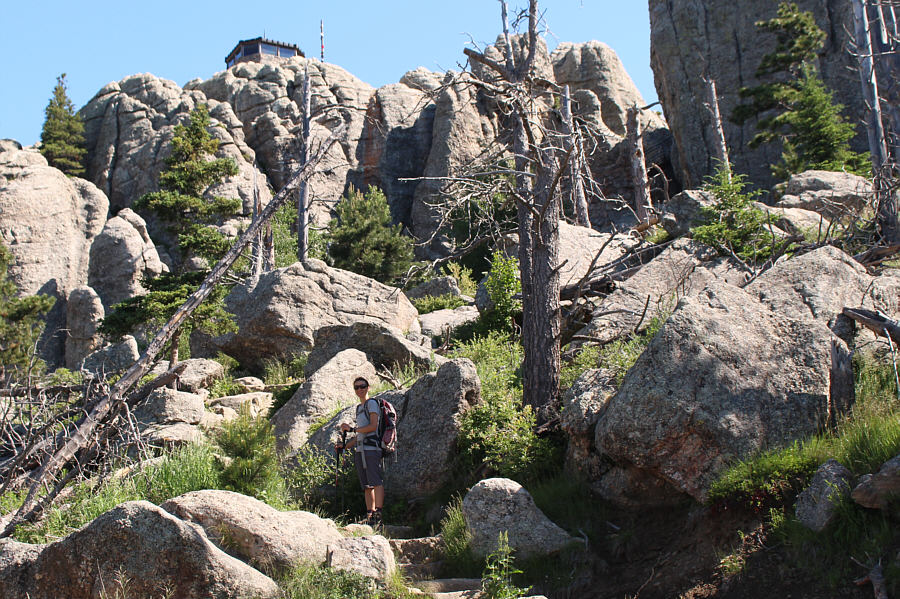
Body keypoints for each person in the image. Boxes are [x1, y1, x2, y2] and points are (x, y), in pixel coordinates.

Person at [335, 376, 384, 526]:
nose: (360, 389)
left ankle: (378, 514)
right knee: (366, 485)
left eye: (362, 386)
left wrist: (352, 429)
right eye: (356, 387)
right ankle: (370, 514)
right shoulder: (359, 408)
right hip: (361, 449)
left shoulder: (372, 404)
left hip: (372, 448)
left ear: (368, 387)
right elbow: (360, 435)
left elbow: (373, 426)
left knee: (375, 481)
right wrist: (345, 446)